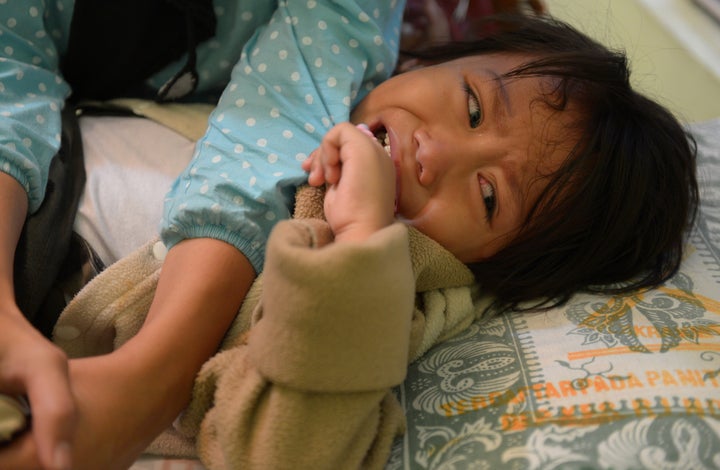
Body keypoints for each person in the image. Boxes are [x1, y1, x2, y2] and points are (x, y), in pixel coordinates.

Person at [0, 2, 698, 470]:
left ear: (498, 266)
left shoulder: (387, 280)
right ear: (421, 62)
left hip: (53, 288)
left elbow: (285, 446)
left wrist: (360, 240)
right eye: (473, 106)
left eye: (488, 196)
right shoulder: (333, 105)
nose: (439, 154)